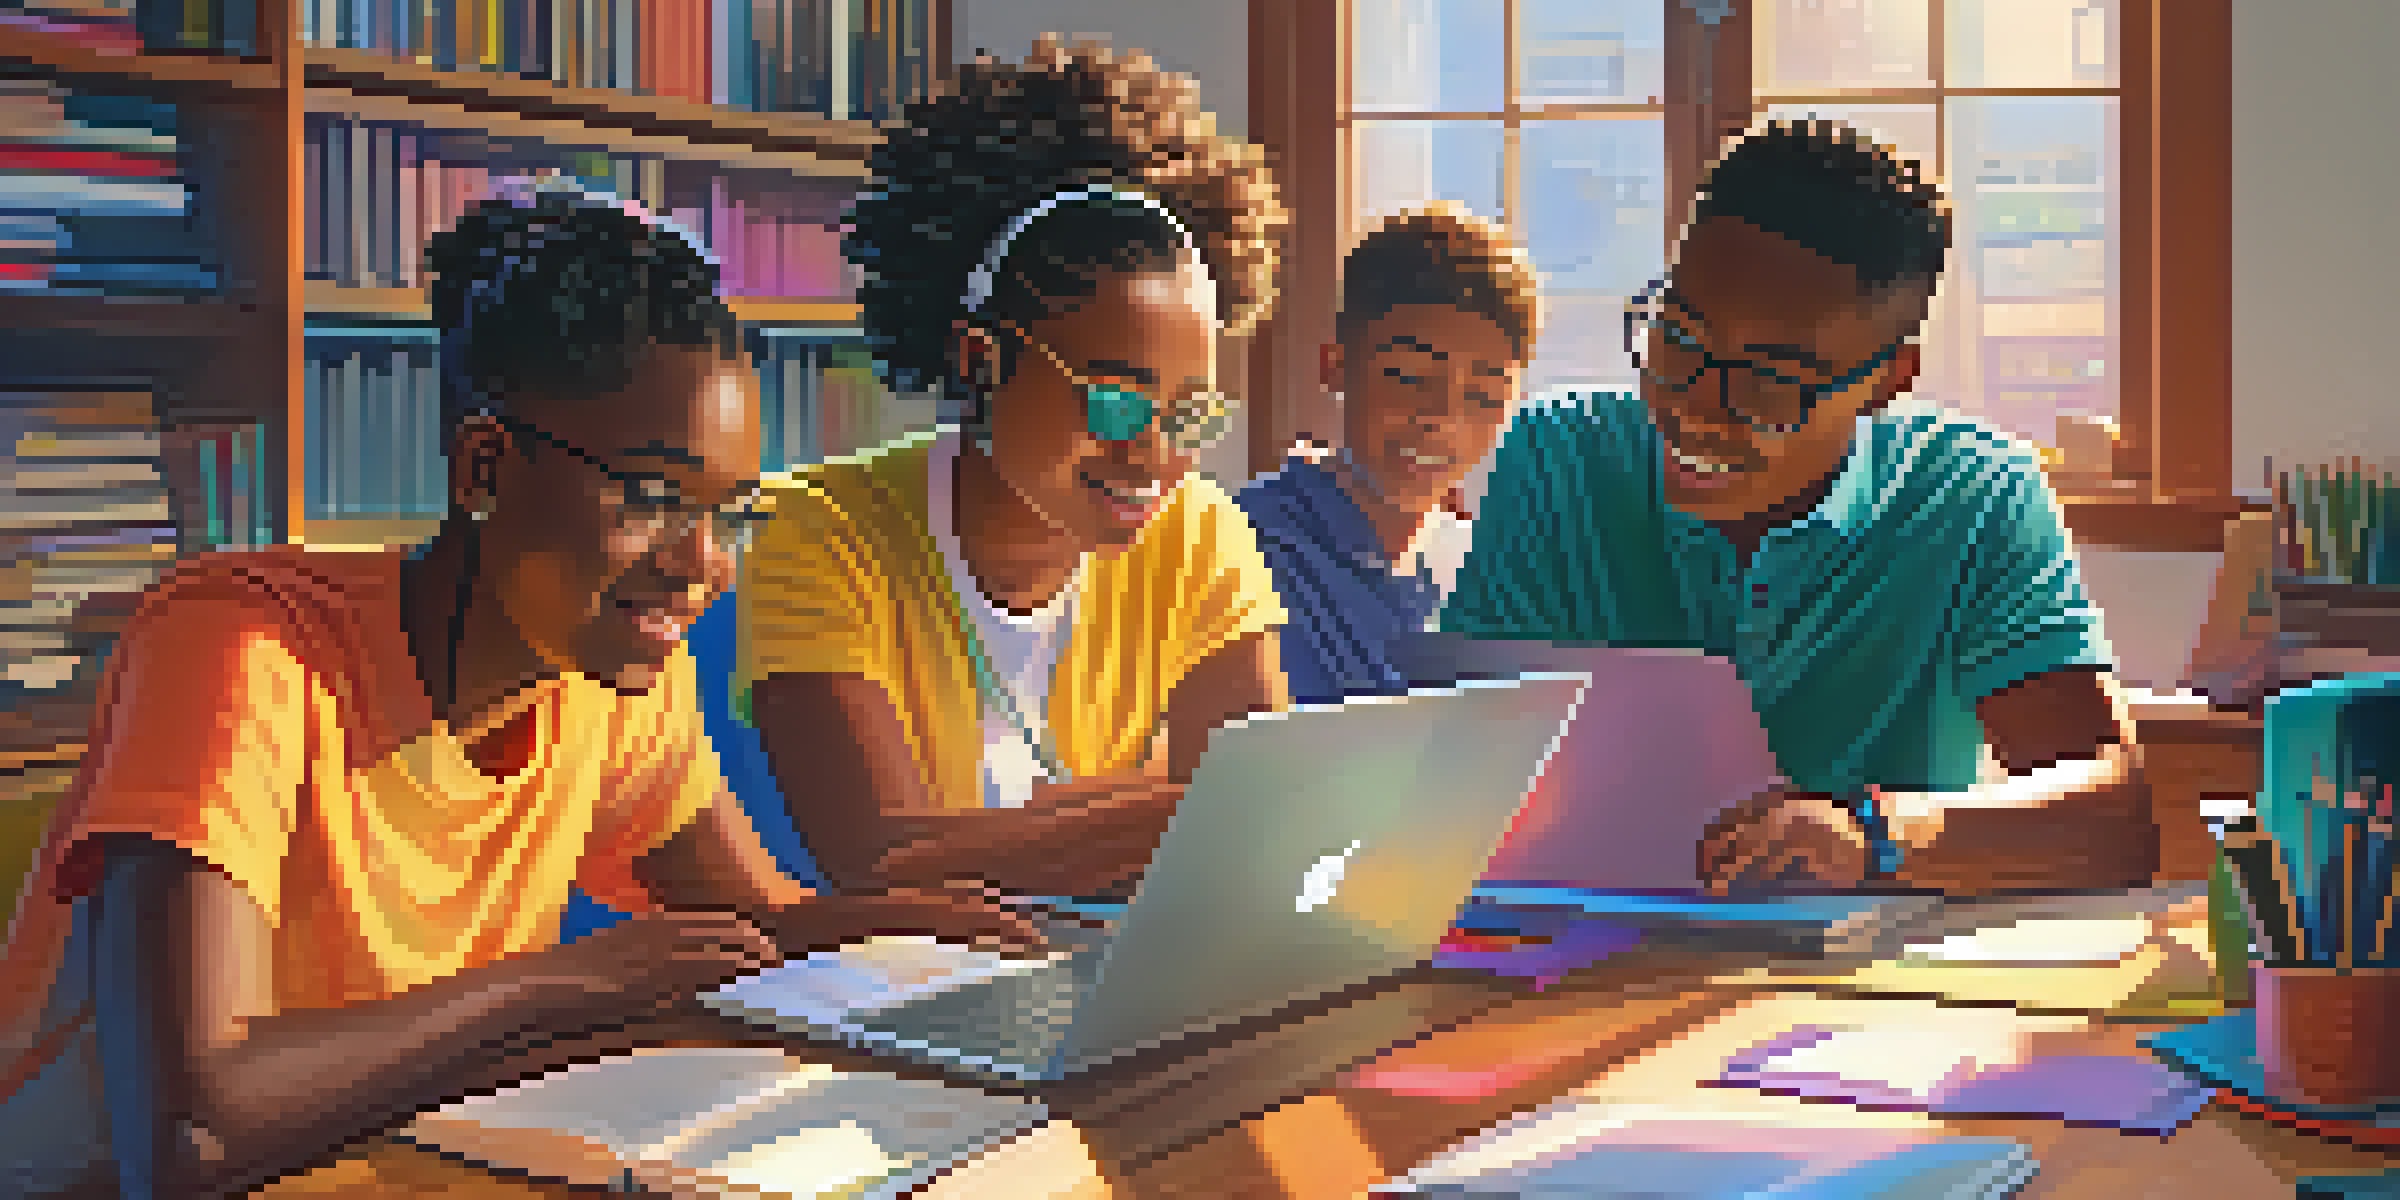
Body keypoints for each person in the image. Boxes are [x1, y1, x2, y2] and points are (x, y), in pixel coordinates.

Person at [0, 183, 1037, 1199]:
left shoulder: (612, 675)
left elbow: (756, 928)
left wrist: (942, 946)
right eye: (651, 496)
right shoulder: (242, 647)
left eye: (733, 514)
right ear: (485, 469)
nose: (702, 564)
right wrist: (554, 986)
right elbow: (192, 1131)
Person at [1442, 119, 2158, 897]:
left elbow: (2111, 821)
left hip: (1873, 995)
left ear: (1888, 381)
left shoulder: (1973, 495)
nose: (1700, 410)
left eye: (1772, 378)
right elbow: (1460, 777)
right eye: (1680, 338)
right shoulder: (1557, 461)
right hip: (1588, 967)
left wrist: (1875, 838)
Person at [738, 36, 1292, 900]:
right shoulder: (819, 531)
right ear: (979, 359)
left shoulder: (1198, 533)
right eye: (1116, 400)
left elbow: (1262, 836)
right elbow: (881, 864)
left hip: (1103, 976)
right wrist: (1178, 812)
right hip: (902, 990)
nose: (1156, 453)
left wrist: (1205, 818)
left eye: (1190, 414)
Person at [1236, 205, 1537, 703]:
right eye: (1411, 378)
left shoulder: (1483, 568)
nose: (1444, 419)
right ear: (1334, 367)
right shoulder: (1243, 546)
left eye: (1484, 396)